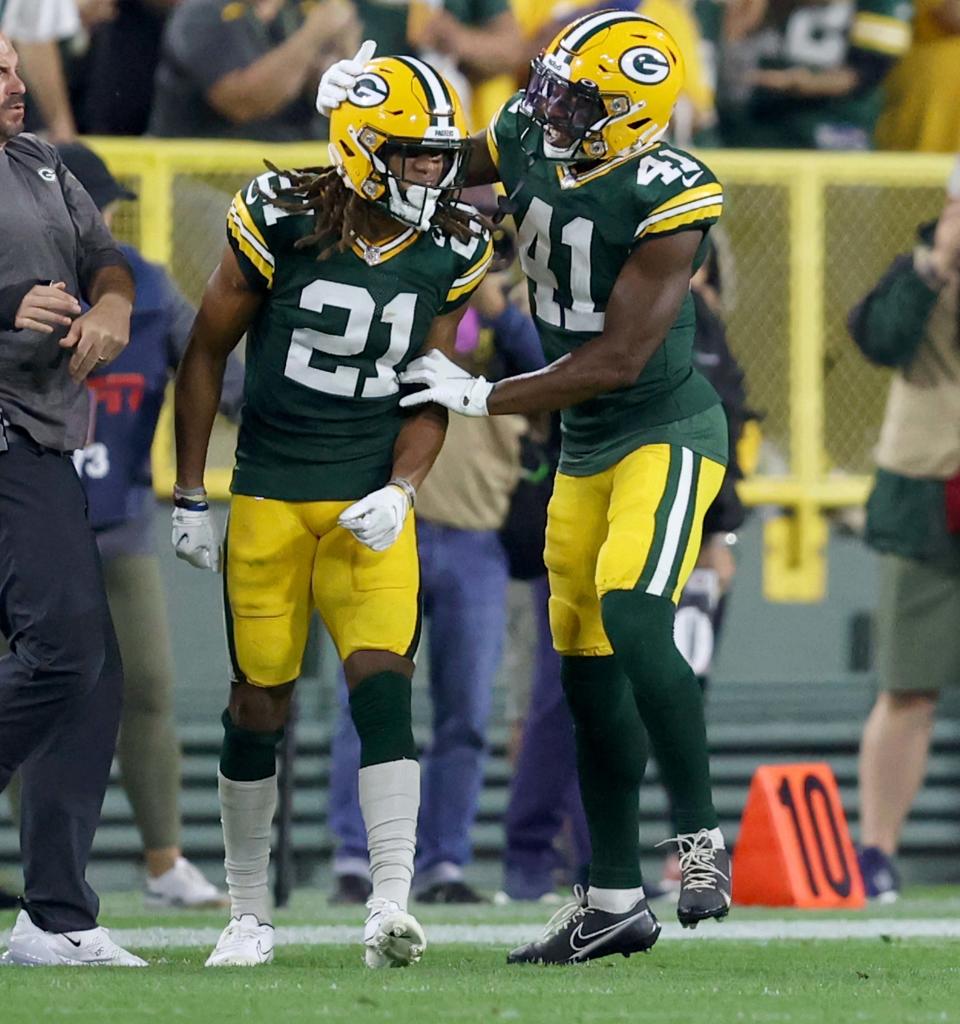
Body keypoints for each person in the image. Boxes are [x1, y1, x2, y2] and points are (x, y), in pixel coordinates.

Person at [320, 12, 730, 965]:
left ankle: (704, 838)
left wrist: (482, 392)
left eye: (574, 98)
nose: (546, 109)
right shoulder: (530, 134)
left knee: (634, 616)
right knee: (584, 684)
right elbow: (444, 164)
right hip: (582, 446)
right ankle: (614, 902)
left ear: (629, 115)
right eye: (547, 85)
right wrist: (370, 127)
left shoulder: (673, 191)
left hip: (661, 429)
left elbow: (622, 359)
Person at [172, 54, 492, 967]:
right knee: (257, 701)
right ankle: (247, 912)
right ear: (363, 150)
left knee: (384, 683)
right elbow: (203, 353)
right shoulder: (279, 211)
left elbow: (430, 382)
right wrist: (193, 490)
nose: (438, 172)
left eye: (441, 156)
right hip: (271, 491)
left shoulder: (456, 244)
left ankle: (389, 903)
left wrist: (403, 489)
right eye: (419, 156)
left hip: (365, 497)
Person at [11, 141, 239, 909]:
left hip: (111, 521)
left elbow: (217, 371)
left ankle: (160, 860)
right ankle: (42, 882)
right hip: (19, 509)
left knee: (137, 685)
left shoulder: (140, 285)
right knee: (38, 683)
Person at [328, 244, 544, 907]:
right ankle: (355, 855)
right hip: (388, 521)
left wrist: (496, 308)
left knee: (467, 713)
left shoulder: (522, 301)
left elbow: (551, 370)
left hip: (476, 530)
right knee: (365, 700)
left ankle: (443, 861)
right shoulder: (397, 282)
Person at [0, 33, 144, 967]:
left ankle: (55, 917)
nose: (15, 83)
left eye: (14, 64)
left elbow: (106, 256)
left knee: (88, 676)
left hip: (42, 441)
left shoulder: (42, 162)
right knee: (67, 655)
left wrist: (112, 306)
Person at [848, 181, 960, 902]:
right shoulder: (916, 271)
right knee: (907, 686)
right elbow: (877, 340)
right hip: (930, 492)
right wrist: (936, 267)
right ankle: (877, 851)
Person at [150, 0, 359, 140]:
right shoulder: (201, 12)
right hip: (197, 178)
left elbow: (333, 92)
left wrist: (343, 48)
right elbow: (245, 102)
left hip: (284, 169)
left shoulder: (298, 11)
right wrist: (314, 34)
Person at [716, 0, 912, 149]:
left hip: (835, 124)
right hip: (758, 121)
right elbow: (732, 36)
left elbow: (870, 69)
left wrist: (808, 82)